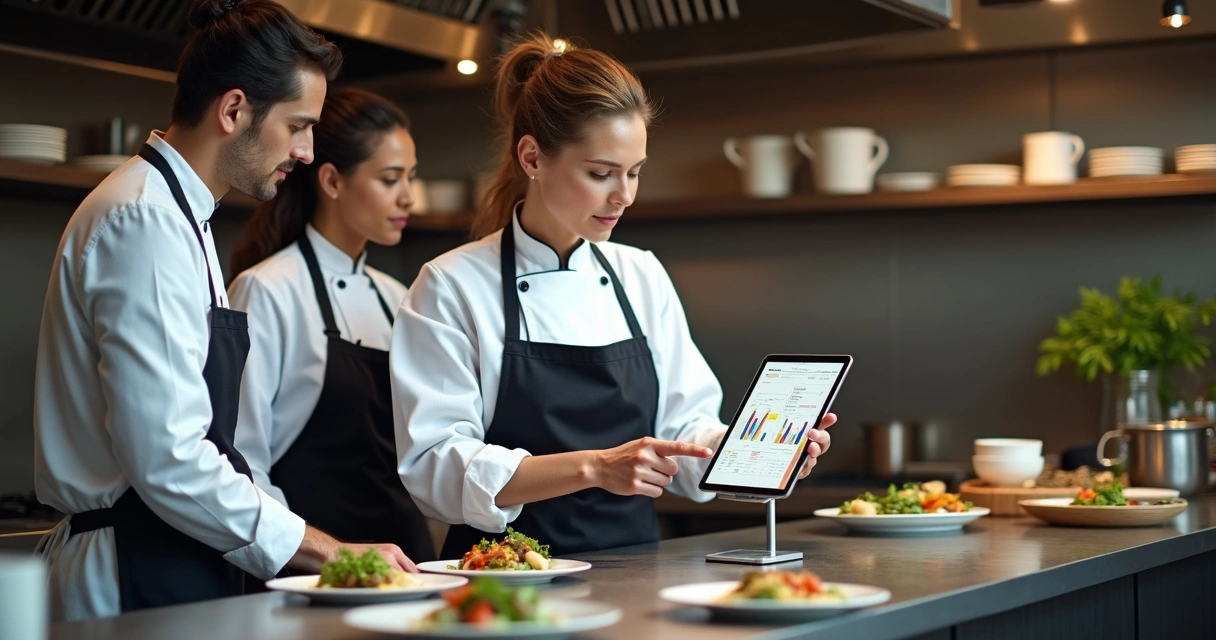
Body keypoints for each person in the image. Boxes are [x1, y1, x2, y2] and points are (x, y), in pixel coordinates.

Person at [33, 0, 411, 621]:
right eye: (298, 125)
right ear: (234, 110)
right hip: (133, 567)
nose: (309, 151)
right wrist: (329, 552)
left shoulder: (180, 216)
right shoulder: (145, 220)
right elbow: (169, 456)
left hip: (176, 551)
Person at [390, 33, 835, 558]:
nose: (623, 196)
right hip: (505, 581)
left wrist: (756, 455)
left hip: (636, 572)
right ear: (532, 157)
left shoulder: (640, 274)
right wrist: (595, 468)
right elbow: (436, 467)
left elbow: (684, 434)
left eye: (635, 173)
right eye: (601, 174)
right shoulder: (451, 286)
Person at [228, 87, 434, 564]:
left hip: (406, 561)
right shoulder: (267, 290)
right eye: (389, 178)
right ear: (332, 181)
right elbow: (242, 464)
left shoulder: (397, 297)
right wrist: (317, 556)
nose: (408, 196)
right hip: (312, 569)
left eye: (411, 177)